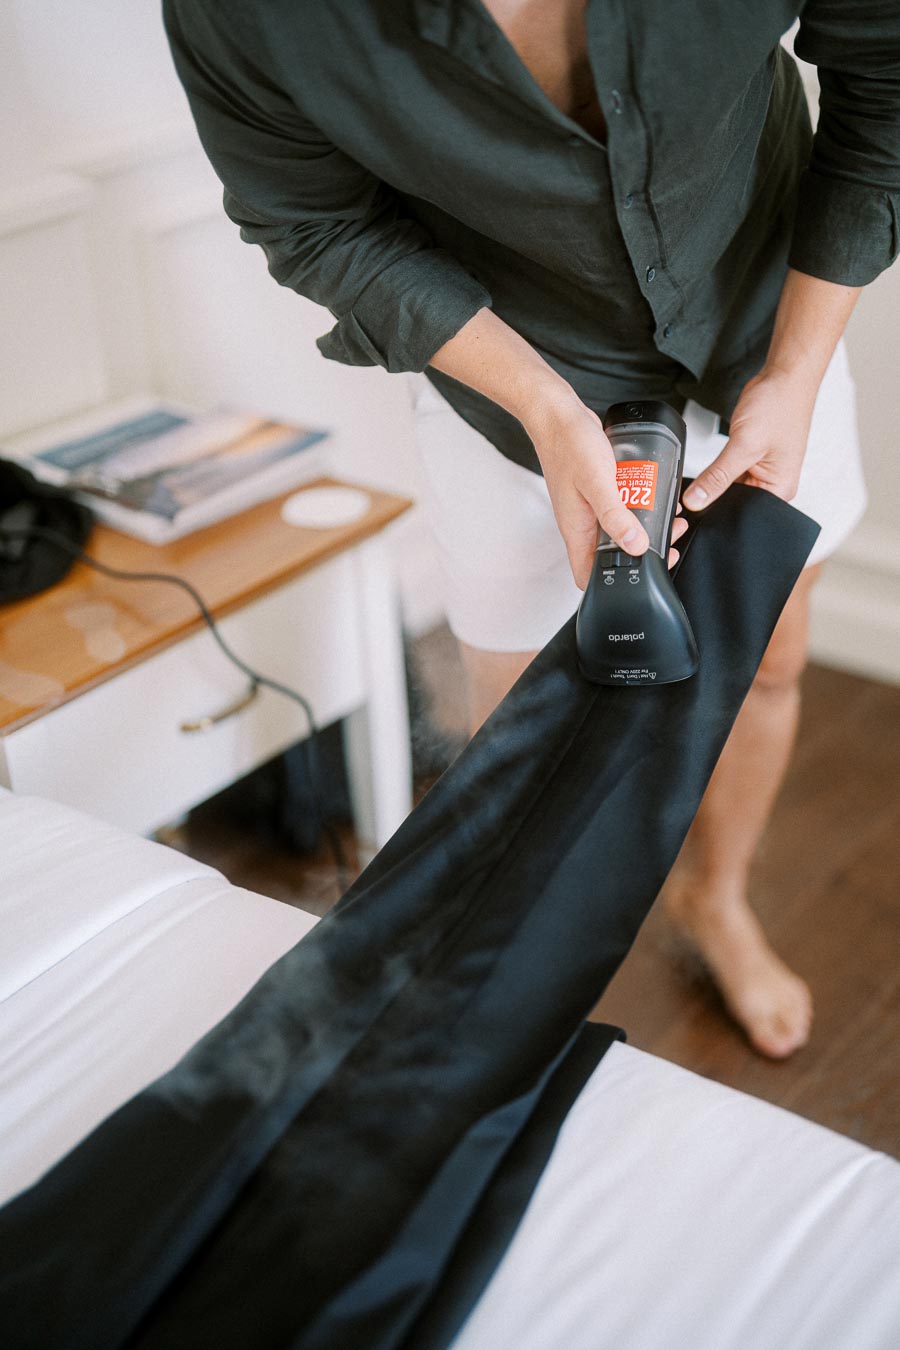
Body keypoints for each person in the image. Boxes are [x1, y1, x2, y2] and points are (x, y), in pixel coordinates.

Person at [162, 1, 899, 1058]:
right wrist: (548, 413)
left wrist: (796, 368)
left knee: (771, 665)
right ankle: (516, 983)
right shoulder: (257, 17)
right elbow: (314, 221)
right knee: (523, 735)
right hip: (512, 378)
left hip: (772, 341)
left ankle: (716, 899)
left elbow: (888, 77)